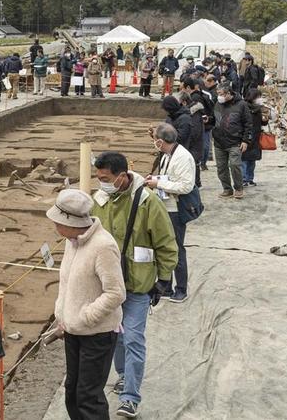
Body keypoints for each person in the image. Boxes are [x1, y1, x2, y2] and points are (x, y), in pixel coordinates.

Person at [90, 151, 177, 418]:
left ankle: (130, 397)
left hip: (138, 283)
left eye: (105, 178)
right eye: (98, 178)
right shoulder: (100, 200)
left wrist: (163, 279)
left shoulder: (147, 202)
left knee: (133, 338)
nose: (101, 182)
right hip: (108, 283)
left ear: (122, 176)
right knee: (115, 336)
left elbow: (165, 243)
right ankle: (123, 377)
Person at [46, 189, 125, 420]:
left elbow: (116, 293)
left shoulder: (103, 246)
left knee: (88, 395)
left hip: (97, 333)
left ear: (70, 222)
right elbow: (69, 284)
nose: (54, 226)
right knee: (72, 391)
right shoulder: (73, 242)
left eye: (56, 222)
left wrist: (85, 317)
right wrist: (63, 317)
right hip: (72, 331)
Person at [145, 124, 195, 303]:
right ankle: (165, 286)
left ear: (161, 141)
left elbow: (185, 186)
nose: (154, 143)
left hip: (175, 209)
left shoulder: (182, 157)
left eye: (155, 140)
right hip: (166, 205)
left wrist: (158, 184)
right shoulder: (168, 154)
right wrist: (156, 180)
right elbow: (168, 178)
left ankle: (181, 288)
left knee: (176, 249)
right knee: (164, 247)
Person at [212, 83, 252, 199]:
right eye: (218, 94)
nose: (219, 97)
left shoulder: (241, 105)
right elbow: (214, 119)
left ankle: (238, 188)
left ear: (228, 93)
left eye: (221, 94)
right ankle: (227, 189)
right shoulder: (218, 104)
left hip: (235, 141)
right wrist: (208, 120)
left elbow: (248, 124)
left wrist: (245, 140)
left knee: (234, 165)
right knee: (221, 167)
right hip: (219, 142)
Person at [241, 88, 268, 187]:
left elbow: (262, 122)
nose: (260, 99)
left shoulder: (258, 109)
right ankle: (243, 178)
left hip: (256, 136)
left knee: (252, 159)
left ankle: (249, 178)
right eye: (258, 97)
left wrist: (265, 119)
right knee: (243, 159)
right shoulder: (243, 107)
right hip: (245, 136)